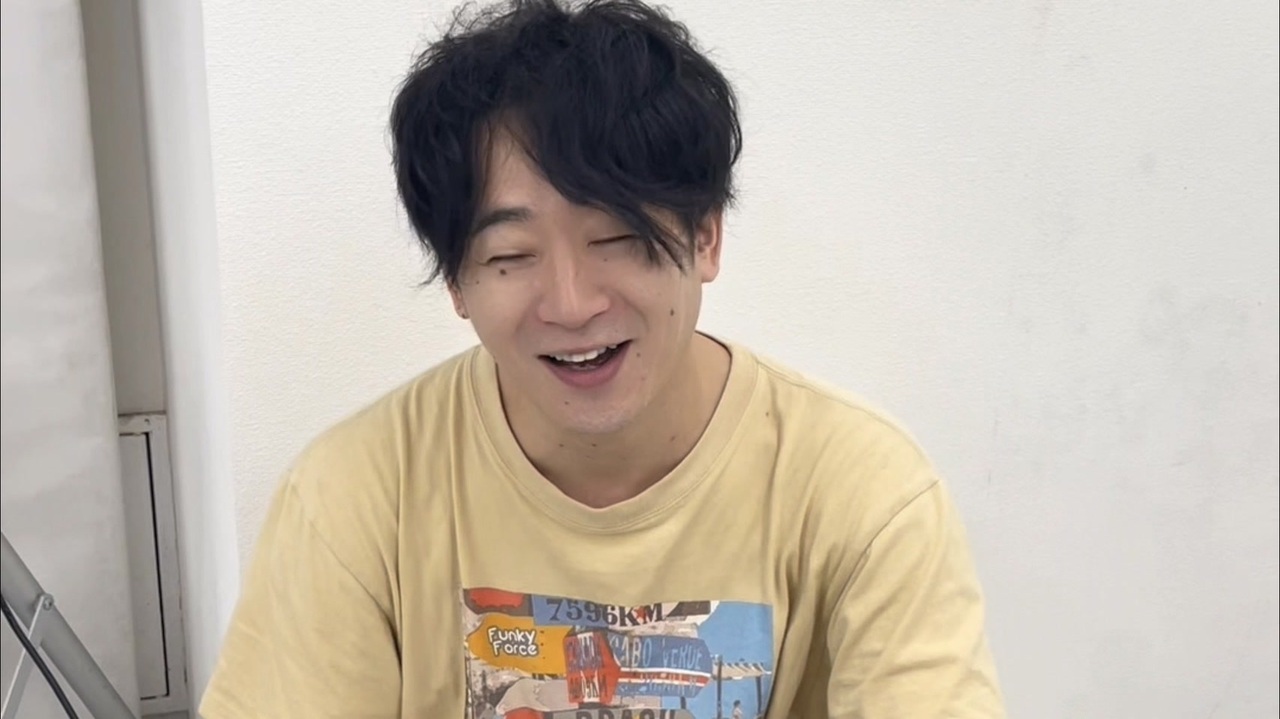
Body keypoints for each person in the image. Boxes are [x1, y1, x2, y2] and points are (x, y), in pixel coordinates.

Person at [198, 0, 1005, 717]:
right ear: (456, 283)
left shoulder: (864, 495)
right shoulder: (354, 499)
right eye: (511, 255)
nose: (572, 301)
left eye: (617, 237)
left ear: (706, 236)